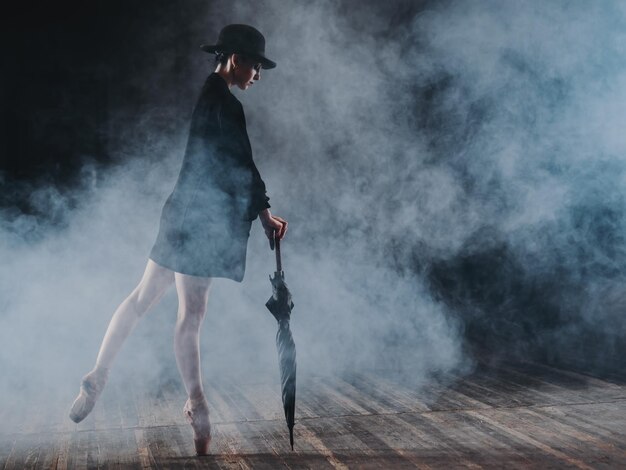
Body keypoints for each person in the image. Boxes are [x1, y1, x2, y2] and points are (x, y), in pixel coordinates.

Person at [68, 24, 287, 456]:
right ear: (235, 59)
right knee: (191, 315)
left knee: (141, 298)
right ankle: (199, 407)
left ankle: (99, 373)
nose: (257, 75)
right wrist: (263, 214)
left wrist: (259, 209)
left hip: (181, 212)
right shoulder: (223, 100)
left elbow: (235, 163)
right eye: (256, 65)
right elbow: (242, 163)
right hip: (199, 222)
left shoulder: (212, 95)